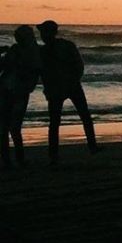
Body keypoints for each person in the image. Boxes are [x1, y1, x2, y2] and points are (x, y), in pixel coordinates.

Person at [37, 20, 99, 164]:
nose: (42, 35)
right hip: (64, 87)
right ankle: (90, 146)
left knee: (60, 121)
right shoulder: (55, 48)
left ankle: (55, 154)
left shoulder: (51, 49)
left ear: (51, 33)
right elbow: (44, 72)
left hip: (65, 87)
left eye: (44, 32)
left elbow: (78, 65)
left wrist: (72, 81)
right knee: (79, 117)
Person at [1, 25, 42, 169]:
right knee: (6, 127)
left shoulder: (31, 53)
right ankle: (10, 160)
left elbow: (32, 73)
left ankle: (16, 159)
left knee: (12, 127)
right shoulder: (18, 50)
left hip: (18, 92)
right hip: (6, 90)